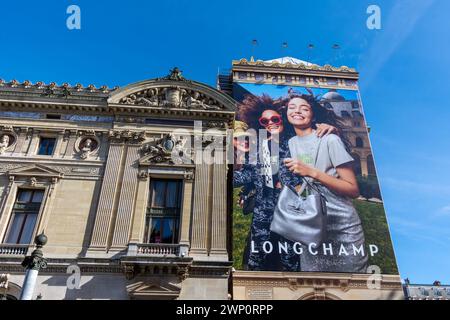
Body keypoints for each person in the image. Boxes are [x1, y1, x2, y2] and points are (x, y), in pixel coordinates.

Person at [234, 94, 337, 271]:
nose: (270, 123)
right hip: (263, 212)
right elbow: (247, 176)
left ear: (282, 118)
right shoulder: (258, 148)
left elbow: (321, 148)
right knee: (256, 259)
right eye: (265, 121)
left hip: (293, 209)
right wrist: (225, 173)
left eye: (274, 118)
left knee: (291, 260)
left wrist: (332, 130)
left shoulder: (296, 140)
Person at [280, 91, 368, 273]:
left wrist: (311, 172)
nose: (297, 111)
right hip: (310, 223)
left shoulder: (330, 139)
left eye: (304, 108)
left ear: (313, 115)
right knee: (314, 284)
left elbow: (353, 189)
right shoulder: (290, 142)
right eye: (292, 107)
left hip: (342, 223)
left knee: (352, 285)